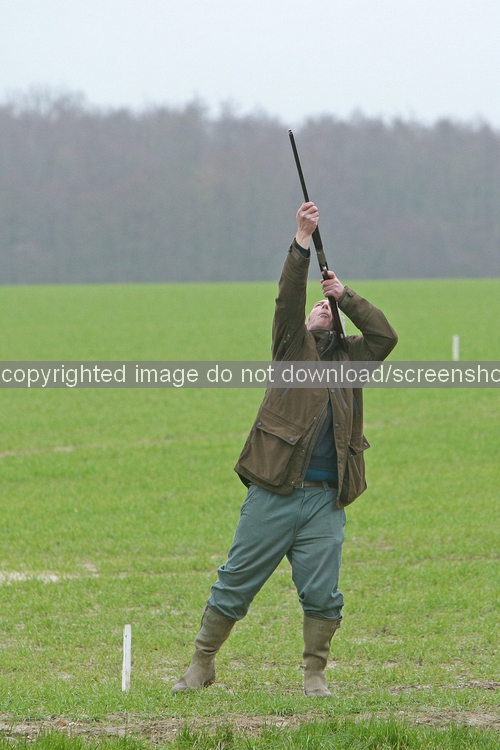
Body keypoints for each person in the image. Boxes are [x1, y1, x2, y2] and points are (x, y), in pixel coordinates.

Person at [173, 202, 398, 696]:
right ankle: (201, 665)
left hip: (325, 499)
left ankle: (315, 674)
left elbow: (385, 336)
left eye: (327, 309)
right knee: (235, 582)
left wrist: (345, 295)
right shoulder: (291, 348)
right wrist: (301, 242)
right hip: (274, 491)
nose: (322, 309)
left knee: (323, 593)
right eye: (318, 307)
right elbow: (288, 299)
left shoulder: (351, 359)